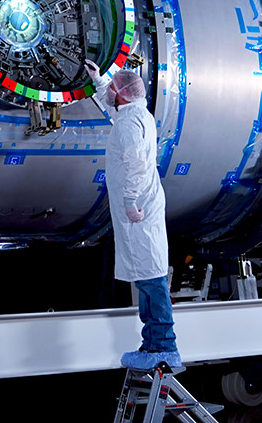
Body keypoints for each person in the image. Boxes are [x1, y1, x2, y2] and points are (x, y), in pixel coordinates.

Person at [85, 59, 180, 370]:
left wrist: (129, 200)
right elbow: (115, 109)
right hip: (144, 205)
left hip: (139, 209)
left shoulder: (128, 123)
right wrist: (99, 81)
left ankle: (163, 347)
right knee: (147, 276)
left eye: (113, 88)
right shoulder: (137, 114)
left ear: (123, 94)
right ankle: (153, 345)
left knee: (151, 279)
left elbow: (136, 163)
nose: (110, 92)